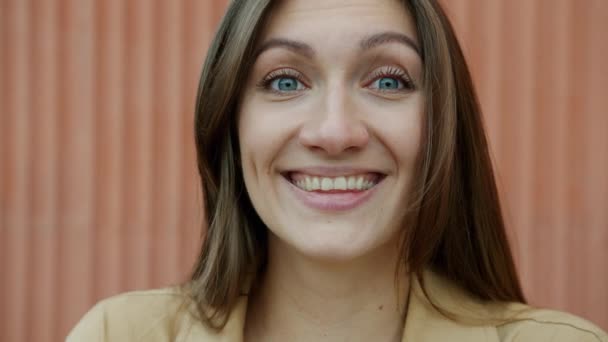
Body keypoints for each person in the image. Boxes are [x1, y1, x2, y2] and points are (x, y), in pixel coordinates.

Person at [67, 0, 608, 341]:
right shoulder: (119, 335)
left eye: (388, 81)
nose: (334, 132)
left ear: (443, 125)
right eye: (284, 82)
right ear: (229, 124)